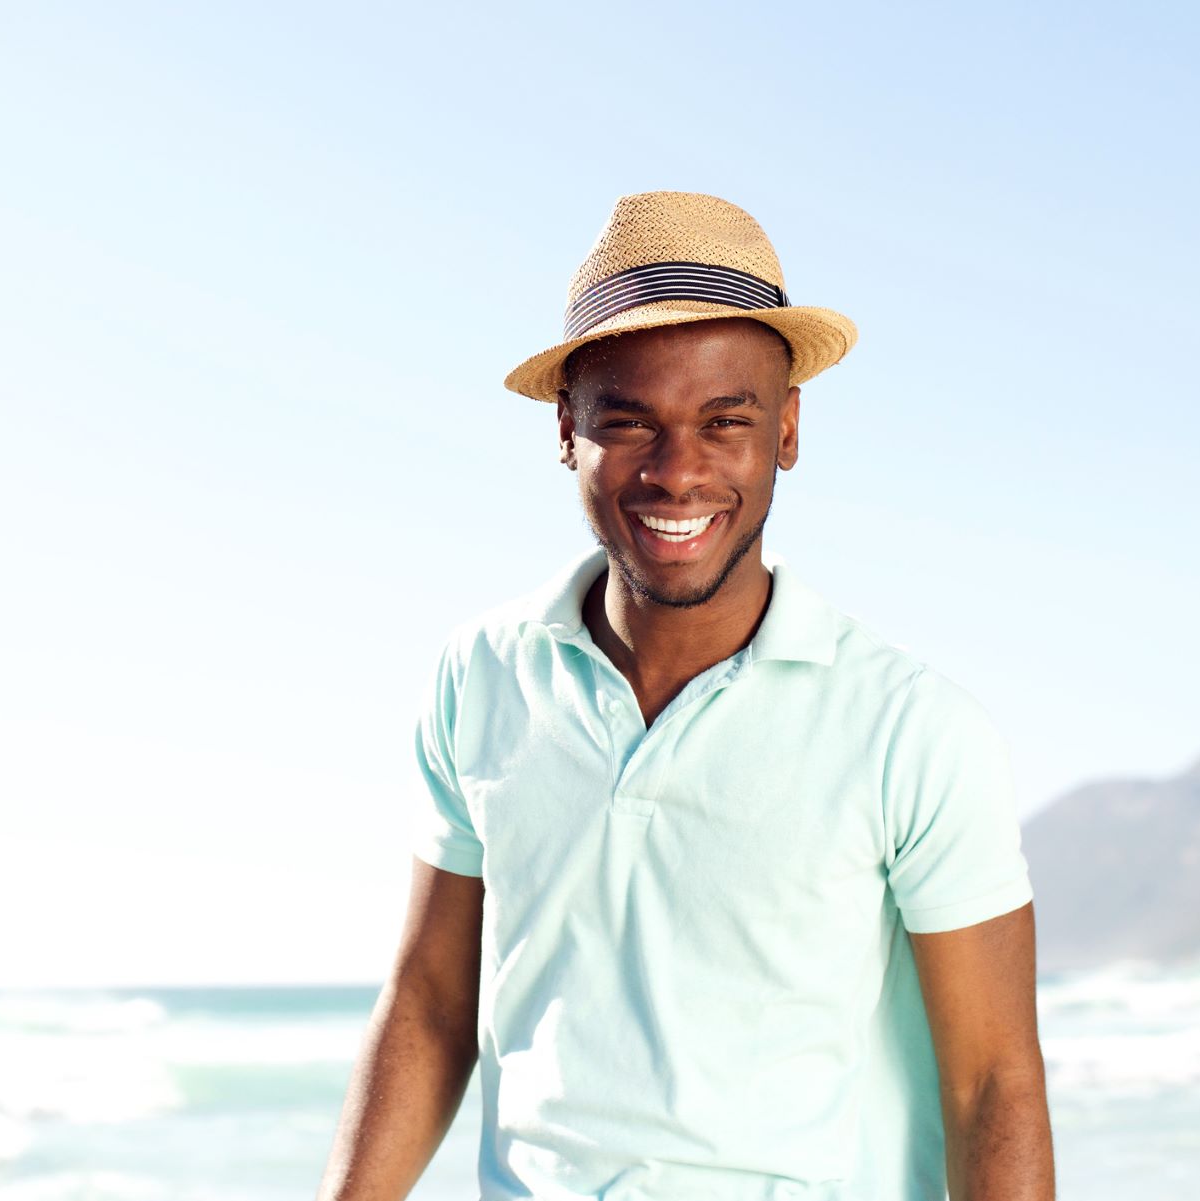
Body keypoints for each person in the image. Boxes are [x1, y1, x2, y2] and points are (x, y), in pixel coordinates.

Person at [316, 192, 1055, 1201]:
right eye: (629, 423)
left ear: (787, 430)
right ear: (565, 432)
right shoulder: (479, 675)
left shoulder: (913, 729)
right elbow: (433, 1003)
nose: (677, 472)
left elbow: (993, 1085)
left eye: (725, 422)